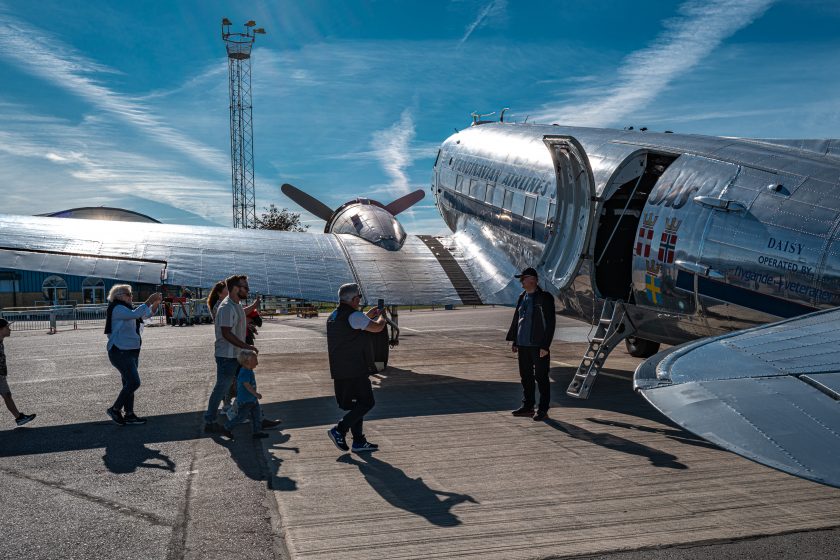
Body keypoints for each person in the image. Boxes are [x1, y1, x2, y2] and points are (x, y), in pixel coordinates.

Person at [326, 283, 387, 453]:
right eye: (359, 297)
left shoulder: (334, 315)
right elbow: (377, 327)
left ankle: (359, 441)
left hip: (340, 369)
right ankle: (340, 429)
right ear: (353, 299)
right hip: (354, 368)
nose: (360, 300)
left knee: (356, 405)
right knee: (367, 402)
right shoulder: (354, 316)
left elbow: (353, 326)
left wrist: (368, 315)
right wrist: (382, 317)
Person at [104, 285, 162, 425]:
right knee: (134, 382)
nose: (131, 296)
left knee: (128, 383)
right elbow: (136, 314)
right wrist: (149, 299)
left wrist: (155, 303)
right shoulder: (117, 308)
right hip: (120, 351)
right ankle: (115, 409)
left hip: (130, 350)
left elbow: (146, 315)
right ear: (118, 296)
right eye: (128, 294)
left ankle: (129, 414)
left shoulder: (127, 308)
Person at [505, 267, 556, 421]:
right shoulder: (523, 296)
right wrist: (515, 340)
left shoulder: (545, 298)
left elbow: (550, 323)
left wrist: (545, 346)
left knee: (541, 377)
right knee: (525, 376)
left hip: (538, 345)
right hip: (523, 345)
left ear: (532, 280)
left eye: (524, 278)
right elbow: (518, 319)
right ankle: (528, 406)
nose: (521, 281)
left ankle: (543, 409)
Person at [220, 349, 267, 440]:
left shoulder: (248, 370)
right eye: (255, 360)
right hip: (245, 400)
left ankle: (257, 432)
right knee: (241, 417)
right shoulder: (244, 372)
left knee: (256, 415)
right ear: (247, 362)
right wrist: (256, 394)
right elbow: (247, 385)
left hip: (251, 399)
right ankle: (226, 428)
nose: (257, 363)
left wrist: (254, 396)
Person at [0, 319, 36, 427]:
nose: (10, 329)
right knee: (7, 395)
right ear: (0, 329)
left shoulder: (0, 340)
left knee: (7, 395)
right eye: (7, 327)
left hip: (1, 375)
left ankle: (19, 418)